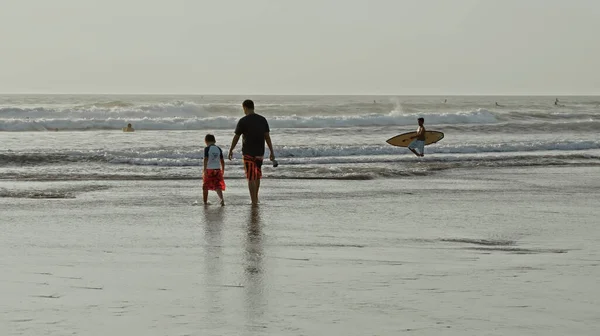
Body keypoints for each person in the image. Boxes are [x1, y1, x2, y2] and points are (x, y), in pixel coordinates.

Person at [228, 100, 275, 206]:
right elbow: (267, 136)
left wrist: (231, 150)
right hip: (259, 152)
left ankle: (253, 201)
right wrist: (272, 151)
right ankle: (256, 197)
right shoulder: (262, 120)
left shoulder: (243, 121)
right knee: (257, 176)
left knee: (250, 177)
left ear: (244, 108)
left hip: (248, 152)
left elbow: (236, 137)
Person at [203, 134, 226, 206]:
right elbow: (222, 161)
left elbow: (206, 159)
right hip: (217, 169)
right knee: (218, 186)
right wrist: (223, 170)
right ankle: (222, 199)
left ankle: (205, 202)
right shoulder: (218, 149)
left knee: (205, 186)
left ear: (205, 141)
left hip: (209, 169)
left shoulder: (207, 149)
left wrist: (204, 169)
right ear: (214, 141)